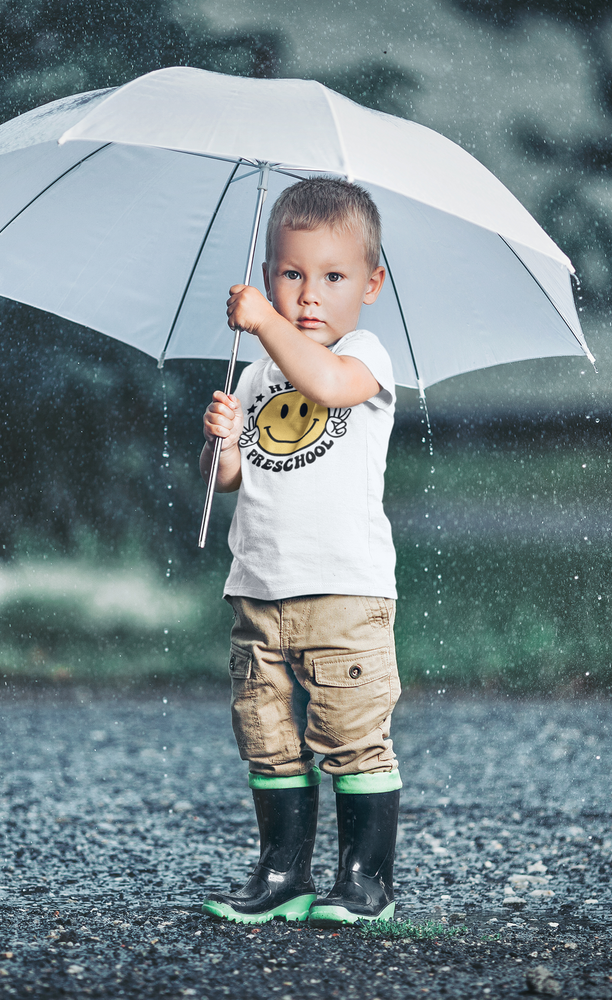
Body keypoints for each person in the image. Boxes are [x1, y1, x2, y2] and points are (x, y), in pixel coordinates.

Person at [199, 178, 401, 927]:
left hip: (344, 595)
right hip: (260, 590)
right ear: (268, 270)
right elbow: (228, 479)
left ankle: (365, 880)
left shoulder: (364, 356)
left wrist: (261, 323)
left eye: (333, 276)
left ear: (370, 284)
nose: (309, 295)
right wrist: (220, 442)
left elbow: (322, 382)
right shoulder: (254, 375)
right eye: (291, 275)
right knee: (269, 736)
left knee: (351, 735)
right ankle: (284, 872)